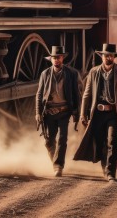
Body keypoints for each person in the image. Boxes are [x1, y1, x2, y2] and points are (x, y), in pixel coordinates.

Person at [73, 43, 117, 182]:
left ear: (114, 57)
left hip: (114, 114)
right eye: (106, 55)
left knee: (112, 141)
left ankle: (110, 172)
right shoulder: (94, 72)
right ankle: (105, 166)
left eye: (111, 55)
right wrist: (83, 114)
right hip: (97, 114)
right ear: (101, 57)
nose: (108, 57)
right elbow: (87, 94)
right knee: (101, 142)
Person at [35, 45, 81, 177]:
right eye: (54, 58)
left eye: (59, 57)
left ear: (63, 58)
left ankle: (58, 166)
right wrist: (38, 113)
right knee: (49, 141)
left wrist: (77, 112)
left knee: (62, 139)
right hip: (48, 112)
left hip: (64, 111)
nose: (57, 60)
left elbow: (76, 94)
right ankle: (55, 162)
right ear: (51, 59)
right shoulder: (45, 74)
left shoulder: (71, 73)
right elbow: (39, 95)